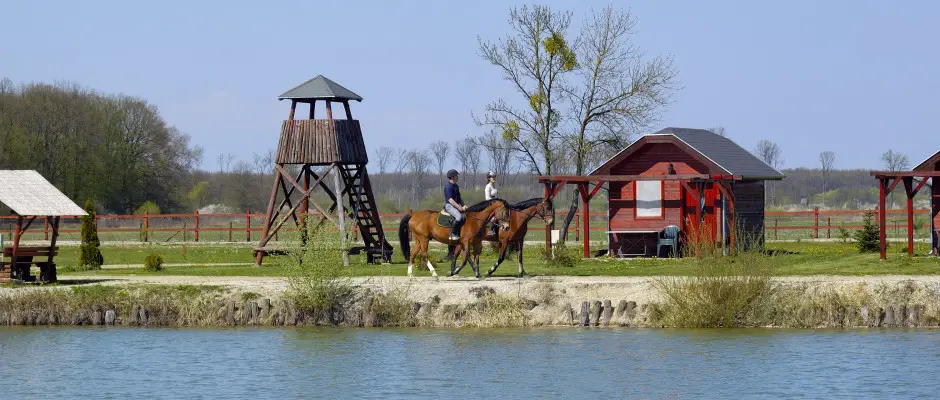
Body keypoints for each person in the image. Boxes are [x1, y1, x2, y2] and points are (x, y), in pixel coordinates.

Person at [443, 169, 467, 240]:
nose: (457, 177)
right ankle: (452, 234)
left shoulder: (456, 186)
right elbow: (450, 200)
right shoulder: (448, 187)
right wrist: (459, 207)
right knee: (459, 217)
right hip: (449, 206)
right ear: (452, 177)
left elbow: (460, 198)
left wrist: (464, 205)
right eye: (456, 176)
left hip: (456, 205)